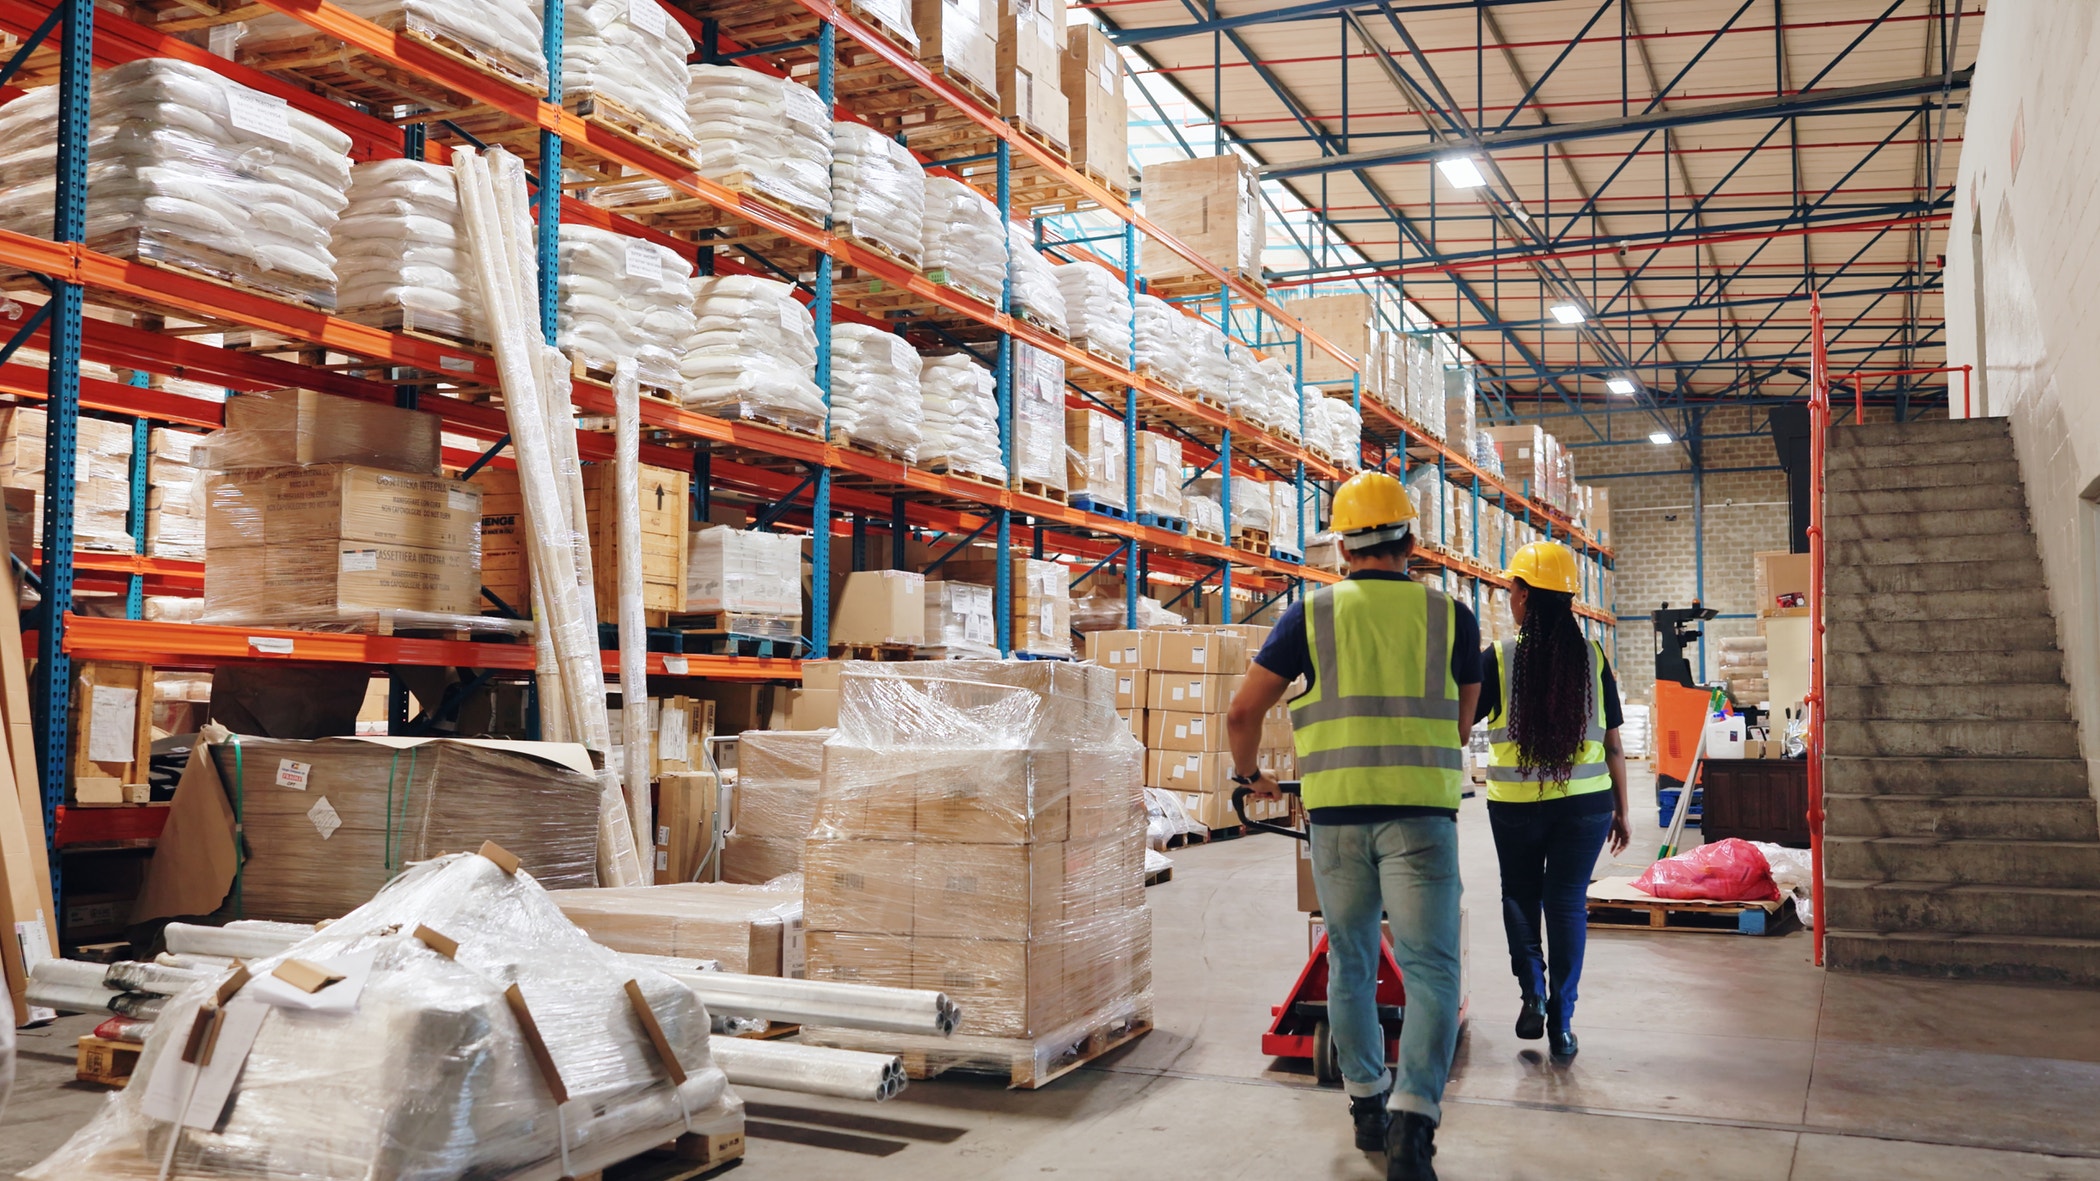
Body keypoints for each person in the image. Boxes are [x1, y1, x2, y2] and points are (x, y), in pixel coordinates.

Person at [1227, 471, 1479, 1181]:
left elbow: (1243, 712)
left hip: (1336, 820)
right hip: (1423, 817)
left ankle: (1366, 1101)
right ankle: (1413, 1123)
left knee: (1353, 959)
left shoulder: (1309, 615)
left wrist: (1251, 778)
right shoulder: (1452, 617)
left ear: (1341, 544)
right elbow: (1461, 724)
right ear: (1412, 541)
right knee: (1432, 970)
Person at [1474, 541, 1631, 1061]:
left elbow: (1457, 721)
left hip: (1515, 808)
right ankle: (1563, 1023)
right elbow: (1612, 742)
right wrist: (1623, 810)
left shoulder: (1499, 658)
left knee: (1519, 894)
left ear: (1522, 595)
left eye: (1510, 588)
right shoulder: (1593, 657)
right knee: (1565, 903)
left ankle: (1533, 996)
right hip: (1586, 806)